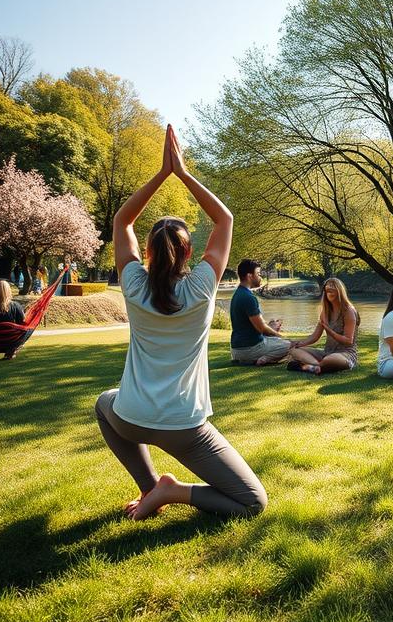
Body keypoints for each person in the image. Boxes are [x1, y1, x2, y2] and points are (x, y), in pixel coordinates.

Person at [94, 124, 267, 520]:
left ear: (148, 253)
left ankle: (151, 487)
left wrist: (160, 175)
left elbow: (121, 223)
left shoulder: (133, 284)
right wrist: (182, 173)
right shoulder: (202, 287)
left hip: (130, 418)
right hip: (184, 427)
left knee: (104, 403)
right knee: (252, 502)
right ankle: (168, 492)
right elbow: (225, 221)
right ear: (188, 253)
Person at [288, 277, 360, 374]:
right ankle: (316, 367)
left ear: (339, 291)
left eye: (332, 288)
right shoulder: (325, 312)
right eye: (327, 290)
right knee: (294, 351)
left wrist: (330, 331)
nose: (328, 292)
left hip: (345, 354)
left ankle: (306, 367)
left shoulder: (348, 311)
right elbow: (315, 336)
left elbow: (348, 340)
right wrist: (299, 343)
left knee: (328, 360)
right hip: (326, 352)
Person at [229, 258, 292, 366]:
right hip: (251, 349)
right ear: (249, 276)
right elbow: (262, 329)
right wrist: (279, 335)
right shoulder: (248, 297)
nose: (260, 277)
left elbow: (255, 326)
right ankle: (265, 358)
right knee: (290, 345)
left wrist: (270, 327)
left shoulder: (238, 294)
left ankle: (262, 357)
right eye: (258, 274)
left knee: (276, 341)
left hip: (237, 350)